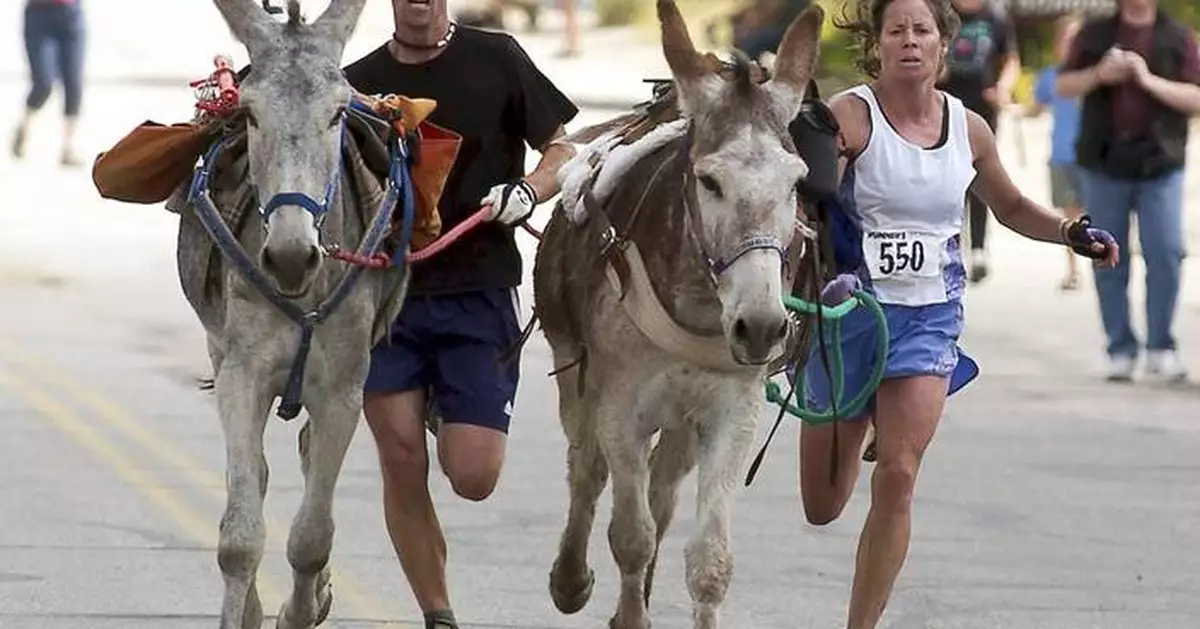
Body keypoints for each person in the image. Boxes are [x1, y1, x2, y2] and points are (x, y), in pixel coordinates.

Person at [793, 0, 1118, 627]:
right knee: (822, 506)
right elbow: (810, 207)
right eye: (896, 31)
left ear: (944, 45)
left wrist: (1070, 231)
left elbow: (1012, 206)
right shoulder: (850, 117)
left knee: (900, 475)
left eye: (922, 30)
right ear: (878, 45)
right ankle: (864, 415)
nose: (910, 41)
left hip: (927, 319)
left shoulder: (969, 129)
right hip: (849, 317)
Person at [341, 1, 579, 628]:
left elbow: (564, 148)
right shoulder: (358, 85)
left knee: (473, 475)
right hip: (386, 298)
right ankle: (438, 613)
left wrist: (529, 188)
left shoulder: (495, 57)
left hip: (478, 290)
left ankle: (449, 406)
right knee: (400, 458)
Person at [1056, 0, 1200, 383]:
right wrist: (1100, 74)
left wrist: (1146, 78)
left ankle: (1160, 347)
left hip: (1160, 162)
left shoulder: (1178, 36)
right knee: (1106, 254)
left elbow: (1195, 96)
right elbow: (1063, 85)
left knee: (1166, 251)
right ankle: (1119, 347)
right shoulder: (1094, 33)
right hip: (1103, 161)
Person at [936, 0, 1019, 283]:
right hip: (944, 107)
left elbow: (1009, 60)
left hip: (983, 108)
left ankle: (980, 248)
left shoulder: (995, 18)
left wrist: (1003, 88)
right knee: (948, 178)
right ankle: (949, 245)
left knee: (981, 176)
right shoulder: (941, 12)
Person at [1031, 15, 1085, 291]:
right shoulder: (1049, 77)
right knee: (1071, 217)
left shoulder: (1096, 76)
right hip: (1062, 154)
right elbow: (1037, 108)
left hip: (1094, 157)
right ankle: (1074, 271)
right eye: (1066, 39)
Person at [10, 0, 87, 167]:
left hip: (71, 13)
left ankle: (69, 147)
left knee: (74, 82)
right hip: (39, 16)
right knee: (43, 83)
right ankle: (25, 125)